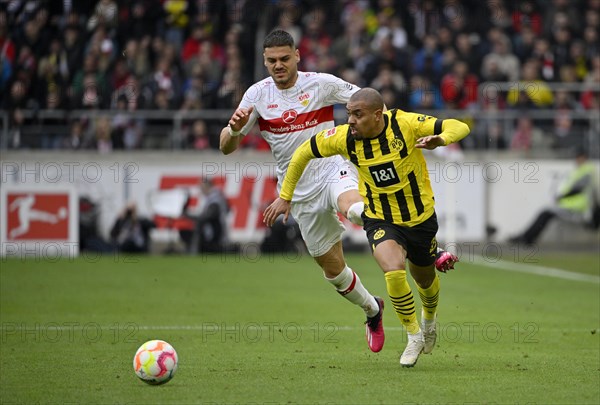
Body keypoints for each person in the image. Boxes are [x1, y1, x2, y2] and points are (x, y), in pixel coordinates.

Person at [263, 88, 470, 367]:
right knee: (393, 271)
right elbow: (303, 153)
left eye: (357, 115)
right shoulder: (344, 138)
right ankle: (413, 335)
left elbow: (460, 125)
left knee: (424, 280)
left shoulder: (405, 124)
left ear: (377, 114)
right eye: (349, 114)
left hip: (420, 219)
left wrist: (441, 139)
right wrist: (286, 196)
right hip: (380, 218)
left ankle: (429, 320)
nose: (351, 120)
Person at [219, 29, 386, 353]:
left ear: (297, 55)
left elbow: (369, 99)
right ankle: (372, 309)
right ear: (265, 61)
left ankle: (414, 243)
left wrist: (383, 129)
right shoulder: (256, 96)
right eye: (272, 61)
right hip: (297, 191)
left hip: (331, 169)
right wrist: (234, 130)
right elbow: (226, 147)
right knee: (334, 271)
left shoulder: (321, 83)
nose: (278, 65)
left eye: (284, 58)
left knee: (354, 208)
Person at [508, 149, 599, 246]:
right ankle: (527, 237)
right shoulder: (579, 170)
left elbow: (578, 189)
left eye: (578, 157)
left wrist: (562, 197)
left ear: (584, 158)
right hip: (570, 207)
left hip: (576, 209)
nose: (577, 160)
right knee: (546, 212)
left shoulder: (587, 170)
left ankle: (526, 238)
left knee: (545, 212)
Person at [182, 177, 230, 253]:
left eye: (201, 187)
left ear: (207, 186)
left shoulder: (215, 198)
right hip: (217, 227)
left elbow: (209, 216)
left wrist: (189, 216)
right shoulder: (214, 196)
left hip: (215, 230)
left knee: (188, 233)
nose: (200, 189)